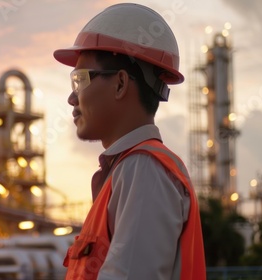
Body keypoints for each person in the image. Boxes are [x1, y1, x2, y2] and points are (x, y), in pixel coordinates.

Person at [53, 3, 206, 280]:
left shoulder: (143, 171)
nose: (72, 98)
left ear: (121, 84)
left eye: (80, 79)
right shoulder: (128, 171)